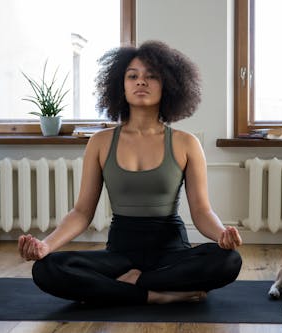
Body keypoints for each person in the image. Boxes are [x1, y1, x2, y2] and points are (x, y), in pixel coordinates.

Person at [18, 40, 243, 305]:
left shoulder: (186, 143)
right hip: (120, 255)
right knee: (46, 268)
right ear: (120, 85)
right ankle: (155, 295)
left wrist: (221, 236)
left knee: (229, 260)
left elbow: (202, 211)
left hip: (170, 253)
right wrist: (46, 246)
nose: (141, 82)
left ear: (169, 84)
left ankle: (125, 288)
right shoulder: (100, 142)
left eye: (151, 76)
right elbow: (81, 212)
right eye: (132, 76)